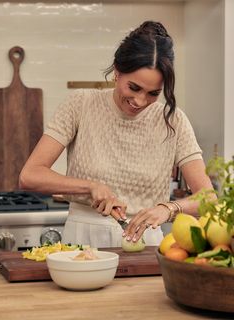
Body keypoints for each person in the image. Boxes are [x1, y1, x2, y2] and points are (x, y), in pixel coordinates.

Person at [19, 20, 213, 248]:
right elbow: (29, 176)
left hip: (147, 243)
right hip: (83, 240)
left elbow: (208, 199)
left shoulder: (174, 121)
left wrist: (169, 209)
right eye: (134, 88)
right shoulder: (80, 105)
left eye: (153, 93)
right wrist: (90, 187)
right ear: (117, 72)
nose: (140, 101)